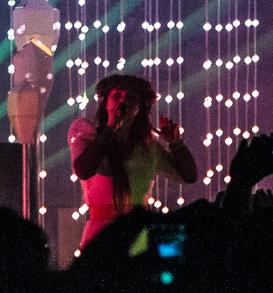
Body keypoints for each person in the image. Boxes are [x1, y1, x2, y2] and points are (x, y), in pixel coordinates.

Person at [68, 74, 198, 248]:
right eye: (117, 95)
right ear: (105, 102)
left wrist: (177, 143)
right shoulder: (87, 133)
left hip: (140, 237)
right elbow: (83, 169)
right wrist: (111, 127)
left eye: (131, 98)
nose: (123, 101)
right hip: (101, 238)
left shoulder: (147, 147)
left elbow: (188, 177)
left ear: (139, 108)